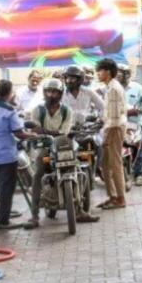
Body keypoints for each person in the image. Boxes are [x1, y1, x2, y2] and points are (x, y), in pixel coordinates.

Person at [23, 79, 98, 228]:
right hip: (45, 148)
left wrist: (45, 131)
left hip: (65, 146)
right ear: (44, 93)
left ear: (60, 93)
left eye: (55, 92)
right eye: (49, 91)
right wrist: (48, 133)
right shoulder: (38, 110)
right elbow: (35, 129)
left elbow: (64, 131)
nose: (51, 94)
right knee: (38, 174)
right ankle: (34, 216)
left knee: (78, 168)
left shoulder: (66, 110)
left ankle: (80, 210)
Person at [0, 80, 36, 227]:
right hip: (6, 156)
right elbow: (19, 133)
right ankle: (3, 221)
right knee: (6, 189)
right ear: (10, 93)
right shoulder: (9, 110)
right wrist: (32, 135)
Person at [95, 58, 128, 210]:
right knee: (105, 164)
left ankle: (120, 199)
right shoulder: (110, 87)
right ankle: (113, 196)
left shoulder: (114, 88)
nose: (98, 73)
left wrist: (106, 137)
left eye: (100, 70)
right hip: (111, 127)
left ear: (108, 72)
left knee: (115, 164)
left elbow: (114, 118)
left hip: (114, 129)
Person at [119, 65, 142, 187]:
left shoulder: (138, 88)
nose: (117, 76)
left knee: (141, 146)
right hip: (118, 123)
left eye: (120, 74)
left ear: (127, 75)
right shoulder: (112, 89)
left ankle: (139, 175)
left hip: (135, 123)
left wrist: (141, 109)